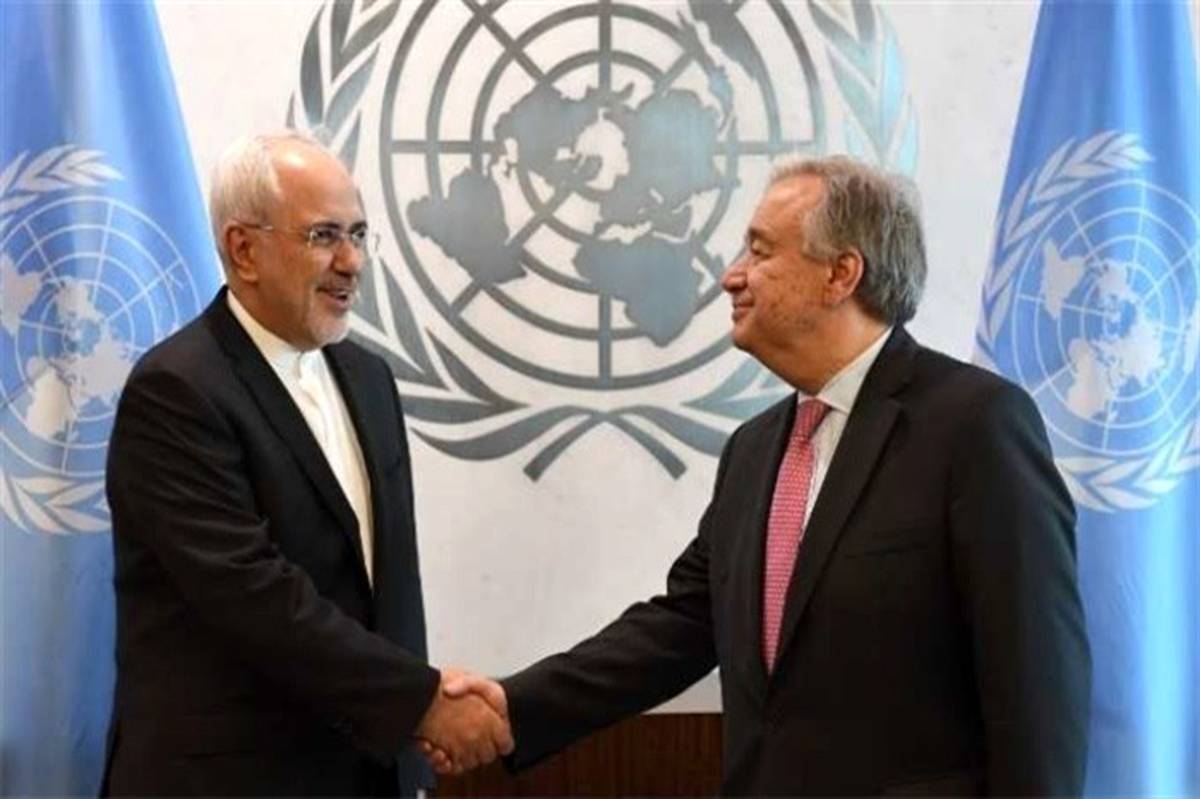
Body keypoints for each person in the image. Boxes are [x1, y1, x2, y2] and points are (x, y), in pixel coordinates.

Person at [444, 156, 1092, 795]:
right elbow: (682, 624)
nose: (732, 276)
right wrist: (513, 706)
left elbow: (1037, 683)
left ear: (841, 273)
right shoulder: (753, 450)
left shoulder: (973, 425)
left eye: (759, 251)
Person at [101, 132, 510, 796]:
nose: (352, 262)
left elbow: (388, 588)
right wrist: (422, 703)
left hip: (366, 772)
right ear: (244, 249)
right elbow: (255, 598)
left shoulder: (369, 377)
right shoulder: (176, 391)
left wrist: (408, 757)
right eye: (324, 236)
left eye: (359, 234)